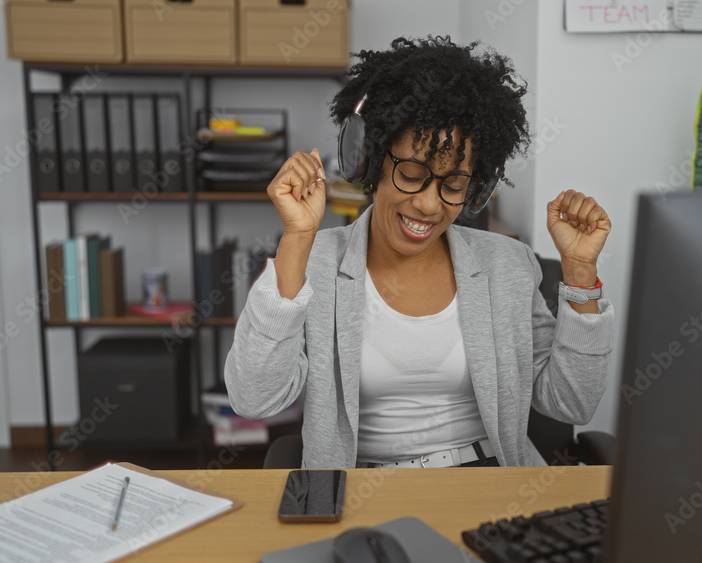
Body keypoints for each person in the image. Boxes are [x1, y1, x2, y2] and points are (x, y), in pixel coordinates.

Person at [225, 36, 614, 468]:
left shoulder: (508, 265)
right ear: (369, 161)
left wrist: (580, 273)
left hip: (492, 483)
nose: (429, 205)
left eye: (452, 185)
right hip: (362, 488)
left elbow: (571, 404)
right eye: (411, 173)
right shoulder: (311, 265)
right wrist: (298, 237)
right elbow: (253, 399)